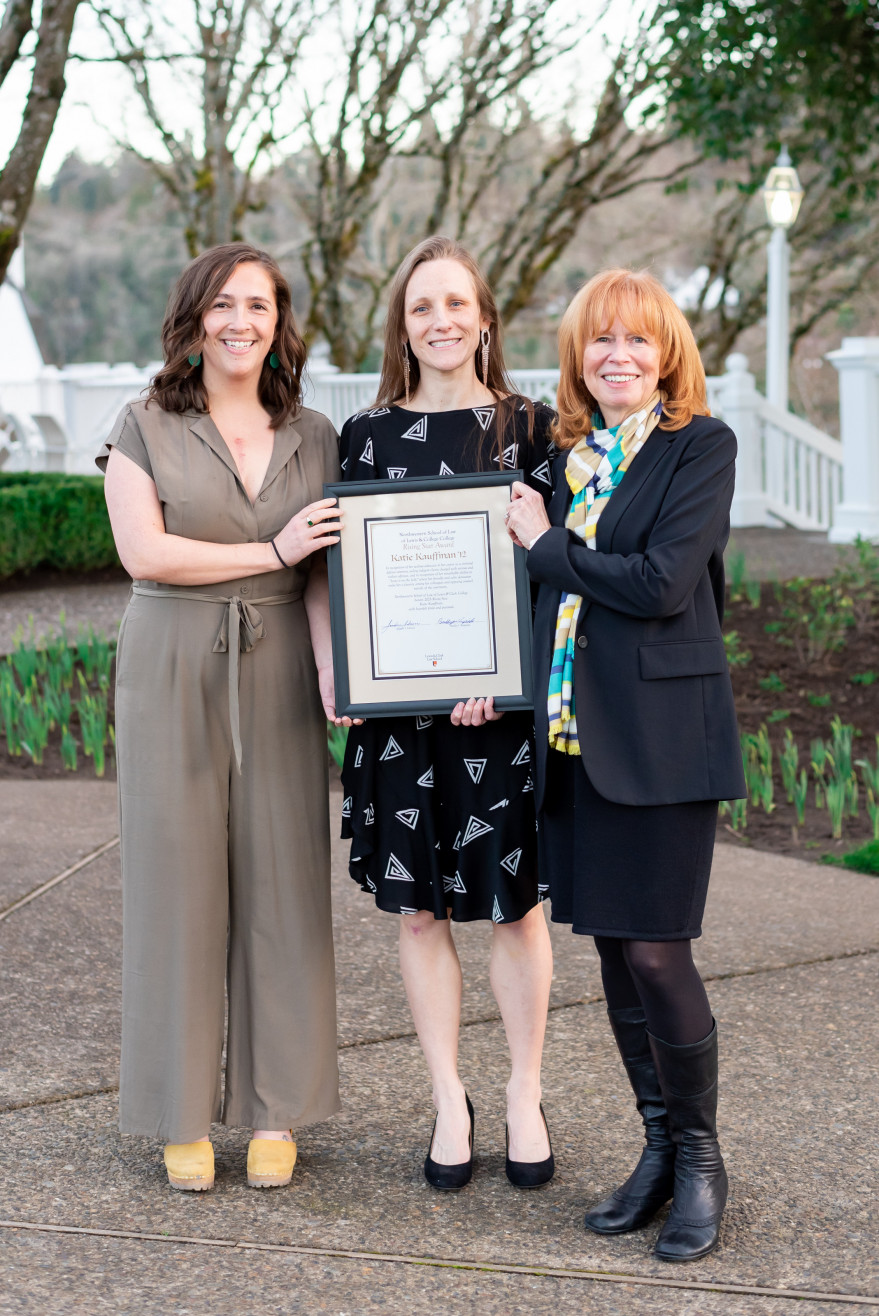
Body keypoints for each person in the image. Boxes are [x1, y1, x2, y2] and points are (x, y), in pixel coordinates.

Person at [506, 268, 746, 1260]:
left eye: (638, 341)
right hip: (571, 742)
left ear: (667, 355)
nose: (618, 356)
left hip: (661, 743)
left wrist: (545, 544)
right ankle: (654, 1148)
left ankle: (700, 1159)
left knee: (658, 949)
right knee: (610, 947)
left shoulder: (700, 447)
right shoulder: (562, 457)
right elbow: (541, 604)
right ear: (578, 355)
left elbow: (657, 583)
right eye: (600, 340)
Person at [98, 242, 347, 1192]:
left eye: (261, 306)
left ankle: (278, 1108)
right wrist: (271, 549)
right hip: (171, 661)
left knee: (285, 883)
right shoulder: (144, 424)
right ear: (195, 316)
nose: (242, 321)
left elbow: (318, 569)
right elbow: (144, 554)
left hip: (282, 658)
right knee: (178, 887)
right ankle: (177, 1111)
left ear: (279, 323)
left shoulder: (314, 434)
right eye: (225, 304)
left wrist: (332, 675)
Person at [339, 236, 556, 1190]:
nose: (440, 322)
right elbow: (345, 580)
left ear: (484, 318)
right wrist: (347, 679)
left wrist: (505, 672)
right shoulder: (363, 437)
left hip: (500, 714)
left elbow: (551, 578)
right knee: (421, 915)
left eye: (455, 304)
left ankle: (522, 1092)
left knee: (515, 910)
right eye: (421, 306)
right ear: (402, 324)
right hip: (401, 719)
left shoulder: (534, 430)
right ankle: (445, 1097)